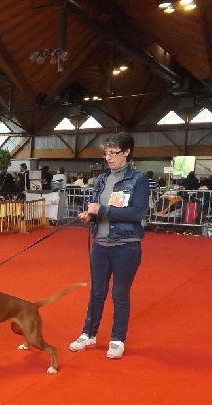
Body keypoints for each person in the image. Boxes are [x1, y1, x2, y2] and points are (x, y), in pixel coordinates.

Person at [69, 133, 149, 359]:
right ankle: (88, 334)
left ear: (127, 152)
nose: (109, 158)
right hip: (100, 244)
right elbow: (97, 207)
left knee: (120, 294)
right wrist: (90, 216)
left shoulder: (138, 179)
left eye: (113, 153)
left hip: (126, 245)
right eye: (106, 153)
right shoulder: (103, 179)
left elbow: (137, 213)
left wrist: (101, 211)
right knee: (96, 293)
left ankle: (117, 339)